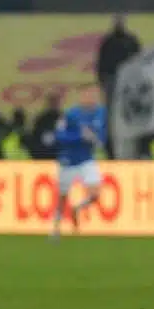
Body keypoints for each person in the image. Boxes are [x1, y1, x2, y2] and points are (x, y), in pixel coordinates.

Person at [52, 85, 106, 239]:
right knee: (62, 198)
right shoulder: (71, 114)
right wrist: (79, 137)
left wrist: (96, 140)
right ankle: (56, 229)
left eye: (94, 95)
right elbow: (60, 136)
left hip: (86, 159)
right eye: (89, 94)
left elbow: (100, 135)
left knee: (95, 194)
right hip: (68, 161)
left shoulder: (100, 112)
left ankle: (77, 208)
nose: (92, 98)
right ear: (82, 96)